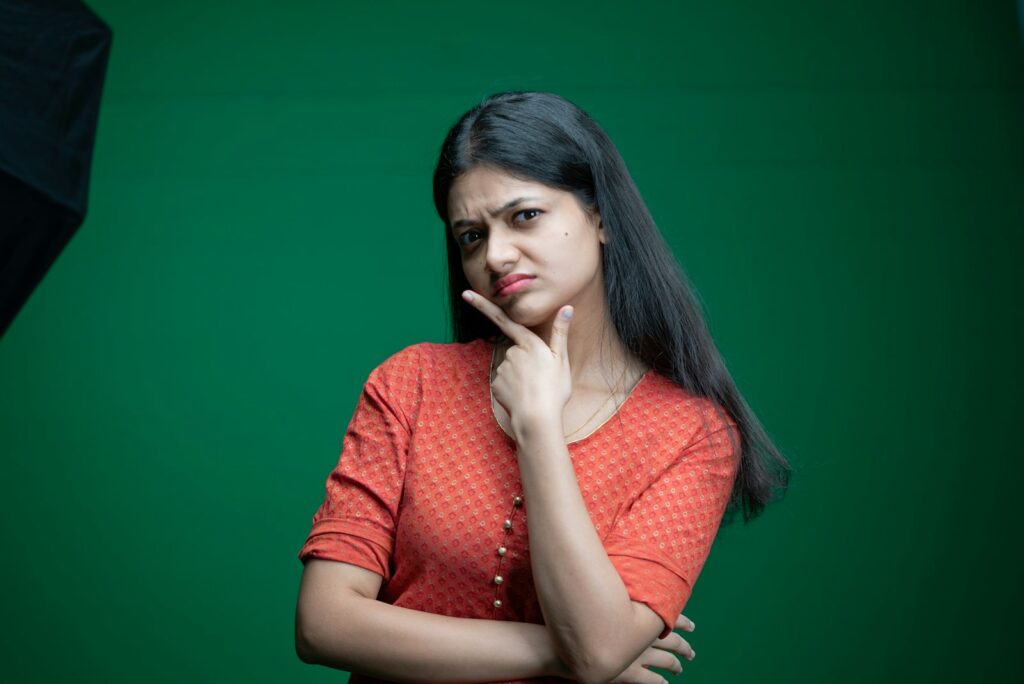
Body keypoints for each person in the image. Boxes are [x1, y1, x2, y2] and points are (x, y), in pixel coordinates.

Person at [294, 91, 790, 684]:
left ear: (601, 215)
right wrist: (567, 654)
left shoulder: (692, 435)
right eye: (471, 236)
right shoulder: (412, 384)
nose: (497, 255)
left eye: (524, 216)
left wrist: (538, 427)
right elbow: (324, 624)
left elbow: (598, 648)